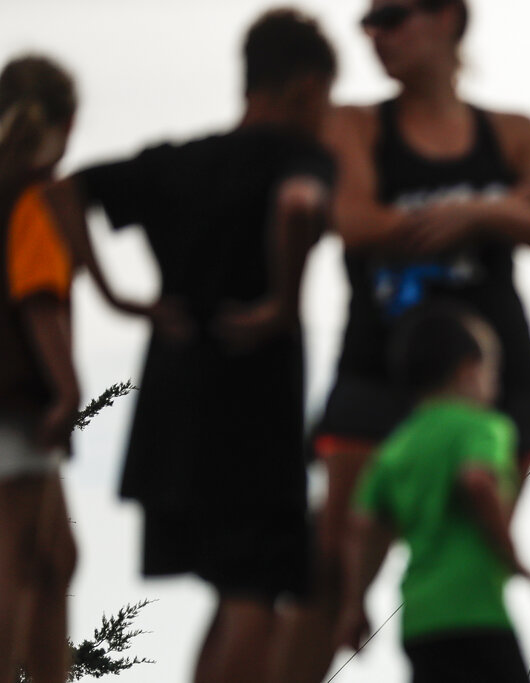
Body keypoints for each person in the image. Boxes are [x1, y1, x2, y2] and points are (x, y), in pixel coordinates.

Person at [274, 1, 530, 678]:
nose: (375, 34)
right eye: (368, 22)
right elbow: (353, 219)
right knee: (330, 570)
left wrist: (481, 209)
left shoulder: (510, 132)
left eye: (392, 16)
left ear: (448, 18)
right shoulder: (356, 124)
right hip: (378, 372)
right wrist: (499, 210)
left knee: (463, 553)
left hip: (490, 380)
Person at [43, 9, 337, 682]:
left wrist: (117, 296)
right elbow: (297, 205)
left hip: (173, 406)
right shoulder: (298, 156)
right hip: (255, 406)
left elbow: (62, 192)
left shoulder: (180, 161)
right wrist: (281, 302)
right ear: (302, 87)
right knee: (258, 594)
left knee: (231, 593)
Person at [336, 303, 530, 683]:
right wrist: (513, 557)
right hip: (476, 613)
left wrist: (354, 605)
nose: (494, 385)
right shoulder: (483, 426)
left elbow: (362, 524)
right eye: (492, 371)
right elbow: (477, 479)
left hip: (419, 621)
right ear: (468, 372)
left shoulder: (396, 446)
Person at [0, 55, 79, 683]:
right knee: (18, 557)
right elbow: (38, 297)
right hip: (19, 401)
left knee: (54, 555)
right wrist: (67, 386)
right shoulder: (33, 195)